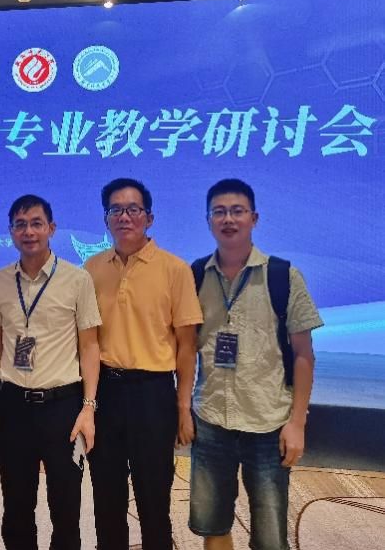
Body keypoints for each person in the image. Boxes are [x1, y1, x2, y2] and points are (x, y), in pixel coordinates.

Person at [188, 179, 323, 550]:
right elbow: (185, 348)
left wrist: (297, 423)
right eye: (219, 212)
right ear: (208, 220)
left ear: (254, 218)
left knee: (269, 536)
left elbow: (303, 354)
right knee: (212, 524)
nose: (228, 219)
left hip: (267, 422)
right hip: (211, 420)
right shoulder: (195, 275)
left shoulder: (283, 276)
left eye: (237, 211)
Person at [83, 178, 202, 550]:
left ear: (149, 217)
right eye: (115, 210)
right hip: (105, 392)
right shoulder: (91, 268)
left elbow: (187, 347)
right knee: (106, 498)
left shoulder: (175, 269)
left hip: (153, 394)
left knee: (154, 500)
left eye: (133, 209)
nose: (124, 217)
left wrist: (183, 408)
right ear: (106, 219)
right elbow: (86, 342)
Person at [0, 194, 102, 550]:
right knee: (16, 507)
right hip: (14, 406)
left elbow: (90, 346)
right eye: (20, 225)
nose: (28, 231)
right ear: (11, 232)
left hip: (62, 407)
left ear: (51, 228)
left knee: (65, 506)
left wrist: (88, 407)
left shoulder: (77, 279)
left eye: (36, 223)